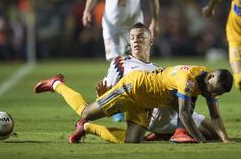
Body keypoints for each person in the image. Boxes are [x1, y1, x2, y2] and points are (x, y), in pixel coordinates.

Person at [34, 23, 228, 143]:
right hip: (130, 92)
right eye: (133, 38)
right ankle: (56, 84)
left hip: (148, 107)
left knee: (131, 141)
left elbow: (173, 99)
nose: (136, 41)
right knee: (86, 112)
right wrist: (103, 97)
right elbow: (107, 90)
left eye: (141, 37)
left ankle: (85, 127)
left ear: (150, 41)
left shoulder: (156, 67)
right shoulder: (121, 63)